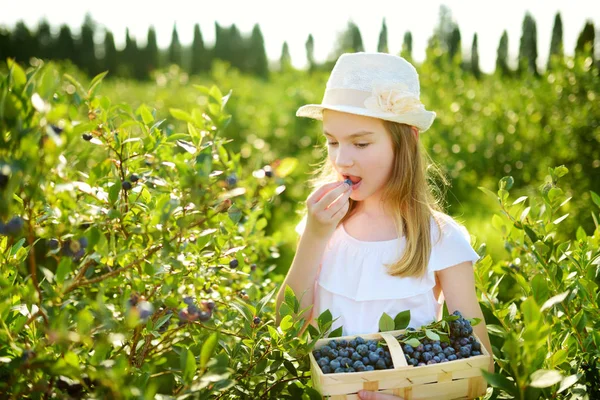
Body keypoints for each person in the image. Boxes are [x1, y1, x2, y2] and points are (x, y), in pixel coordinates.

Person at [275, 52, 493, 400]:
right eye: (332, 141)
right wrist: (314, 238)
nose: (342, 159)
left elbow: (479, 366)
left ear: (405, 142)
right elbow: (287, 324)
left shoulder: (439, 237)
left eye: (360, 143)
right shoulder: (324, 225)